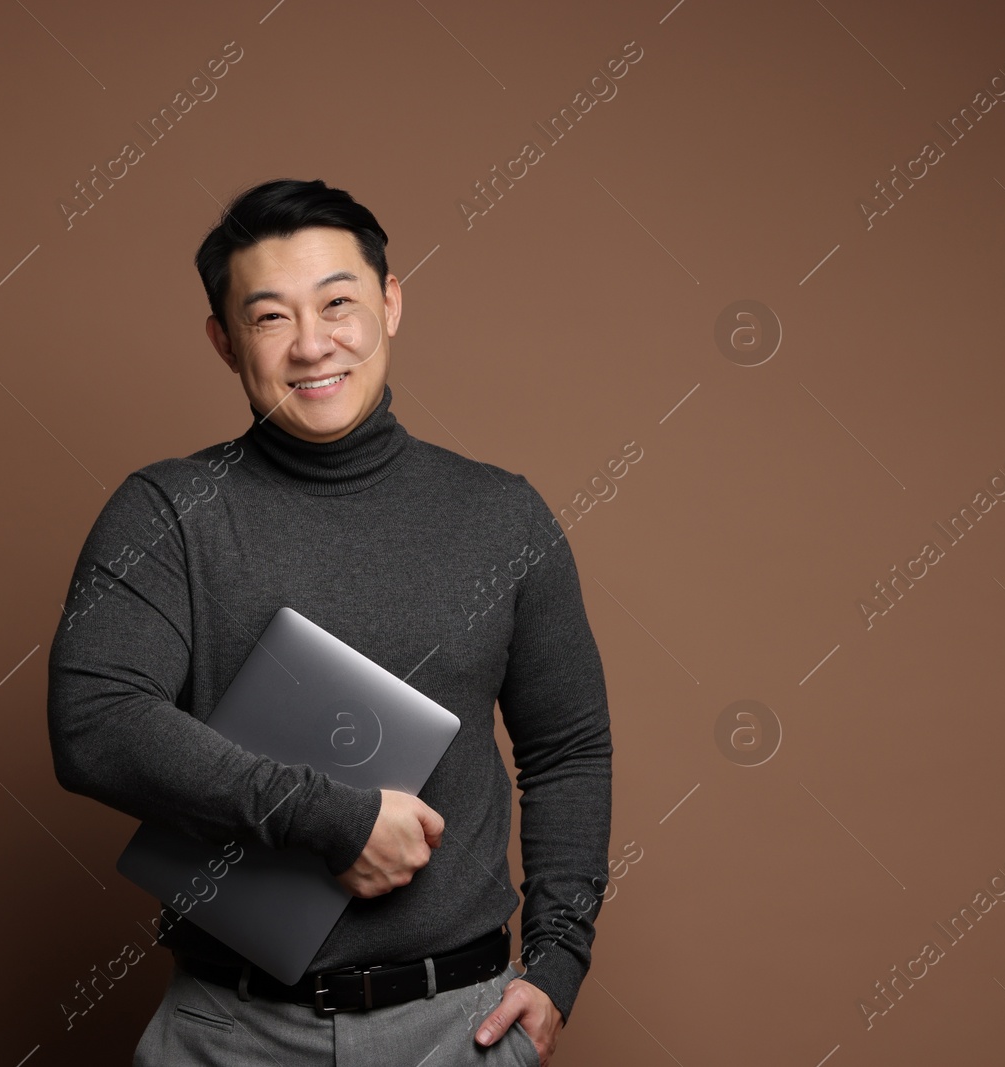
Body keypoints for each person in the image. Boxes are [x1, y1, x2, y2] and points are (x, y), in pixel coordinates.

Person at [46, 178, 613, 1066]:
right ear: (224, 341)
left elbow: (568, 749)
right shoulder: (167, 510)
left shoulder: (504, 516)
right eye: (270, 317)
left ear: (390, 304)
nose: (314, 345)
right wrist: (330, 818)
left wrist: (558, 960)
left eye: (338, 303)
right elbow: (95, 723)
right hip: (230, 1033)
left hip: (457, 1028)